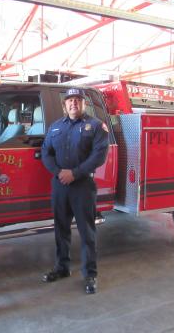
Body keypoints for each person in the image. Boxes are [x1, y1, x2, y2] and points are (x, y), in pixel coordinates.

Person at [41, 87, 109, 294]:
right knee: (60, 230)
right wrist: (59, 172)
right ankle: (62, 268)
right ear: (65, 105)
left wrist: (75, 173)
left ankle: (90, 275)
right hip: (60, 185)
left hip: (83, 186)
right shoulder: (55, 127)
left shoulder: (95, 126)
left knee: (87, 232)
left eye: (77, 100)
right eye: (70, 100)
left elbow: (99, 156)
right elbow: (46, 152)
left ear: (84, 104)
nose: (73, 104)